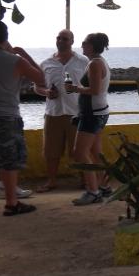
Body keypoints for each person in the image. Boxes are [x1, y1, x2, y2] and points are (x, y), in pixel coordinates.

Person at [0, 21, 45, 216]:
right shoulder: (15, 61)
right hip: (7, 116)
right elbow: (41, 79)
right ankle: (11, 203)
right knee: (9, 161)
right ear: (6, 37)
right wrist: (22, 54)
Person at [33, 29, 89, 192]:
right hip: (53, 112)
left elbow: (91, 83)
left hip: (77, 112)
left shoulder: (83, 61)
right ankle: (51, 181)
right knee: (51, 151)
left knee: (80, 150)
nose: (61, 41)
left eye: (65, 38)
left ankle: (85, 181)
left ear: (72, 41)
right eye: (58, 38)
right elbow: (37, 86)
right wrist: (46, 92)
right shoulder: (46, 63)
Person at [66, 32, 112, 206]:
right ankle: (104, 186)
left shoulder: (94, 64)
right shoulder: (99, 61)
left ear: (92, 46)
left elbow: (94, 90)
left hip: (92, 113)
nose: (82, 45)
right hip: (99, 111)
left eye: (85, 43)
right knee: (95, 151)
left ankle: (93, 191)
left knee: (80, 152)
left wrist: (74, 88)